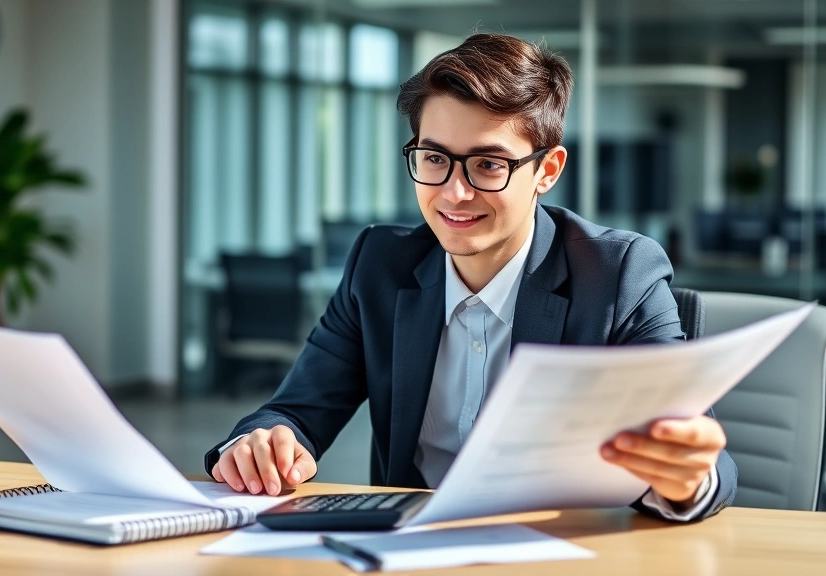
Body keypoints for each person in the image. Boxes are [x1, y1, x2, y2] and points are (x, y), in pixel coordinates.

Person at [204, 33, 737, 521]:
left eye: (487, 165)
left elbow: (701, 451)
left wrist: (685, 477)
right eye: (435, 158)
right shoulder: (378, 266)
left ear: (546, 172)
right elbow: (295, 411)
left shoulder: (617, 274)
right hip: (411, 551)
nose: (454, 193)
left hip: (566, 550)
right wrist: (261, 442)